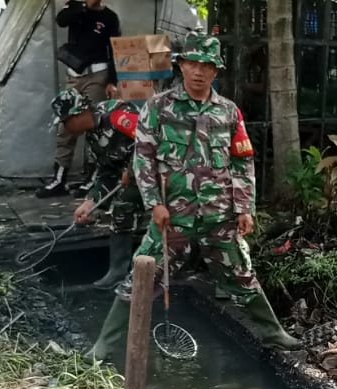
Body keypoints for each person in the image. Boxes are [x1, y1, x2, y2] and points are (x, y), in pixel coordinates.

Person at [90, 33, 299, 360]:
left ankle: (274, 334)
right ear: (181, 66)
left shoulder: (229, 113)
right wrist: (154, 203)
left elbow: (243, 160)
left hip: (219, 217)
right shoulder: (159, 109)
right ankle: (104, 345)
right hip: (173, 219)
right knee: (140, 280)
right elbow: (143, 158)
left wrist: (245, 207)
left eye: (207, 66)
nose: (199, 72)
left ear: (216, 72)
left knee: (243, 276)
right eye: (192, 64)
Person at [54, 85, 142, 289]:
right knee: (121, 206)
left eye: (65, 122)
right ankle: (119, 271)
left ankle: (121, 272)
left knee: (123, 206)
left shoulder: (119, 115)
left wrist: (132, 168)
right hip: (132, 179)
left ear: (77, 115)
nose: (65, 128)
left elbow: (149, 142)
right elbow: (106, 173)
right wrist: (91, 202)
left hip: (156, 173)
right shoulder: (93, 136)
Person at [41, 0, 120, 198]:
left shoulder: (109, 18)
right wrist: (83, 6)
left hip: (97, 76)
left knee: (95, 126)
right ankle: (59, 179)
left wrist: (112, 81)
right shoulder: (75, 8)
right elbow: (61, 20)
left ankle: (93, 179)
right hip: (74, 76)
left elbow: (115, 51)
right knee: (66, 127)